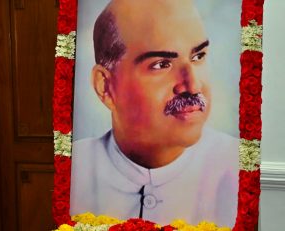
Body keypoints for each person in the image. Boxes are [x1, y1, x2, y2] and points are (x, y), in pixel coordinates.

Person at [70, 0, 239, 227]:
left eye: (198, 56)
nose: (193, 85)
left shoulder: (234, 166)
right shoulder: (75, 168)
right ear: (105, 86)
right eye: (162, 64)